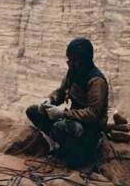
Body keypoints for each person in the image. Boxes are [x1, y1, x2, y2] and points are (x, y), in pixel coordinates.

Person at [26, 37, 108, 167]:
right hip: (72, 120)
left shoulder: (96, 81)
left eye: (73, 60)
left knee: (61, 127)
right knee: (33, 111)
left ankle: (79, 154)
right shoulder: (73, 72)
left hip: (89, 129)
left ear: (84, 60)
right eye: (69, 59)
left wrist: (62, 114)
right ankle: (61, 145)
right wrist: (50, 101)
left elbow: (92, 114)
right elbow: (61, 92)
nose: (69, 63)